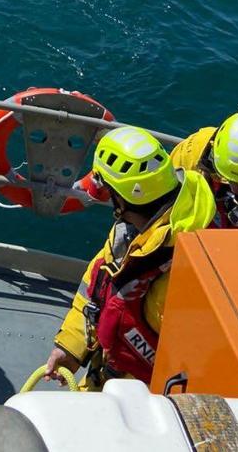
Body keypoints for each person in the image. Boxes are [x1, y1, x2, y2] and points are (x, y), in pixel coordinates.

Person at [44, 126, 215, 389]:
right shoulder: (133, 234)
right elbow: (96, 285)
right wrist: (71, 346)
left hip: (142, 398)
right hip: (111, 376)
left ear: (121, 197)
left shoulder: (186, 266)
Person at [171, 113, 238, 228]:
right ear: (213, 156)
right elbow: (168, 193)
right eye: (228, 179)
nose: (236, 190)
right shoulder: (192, 151)